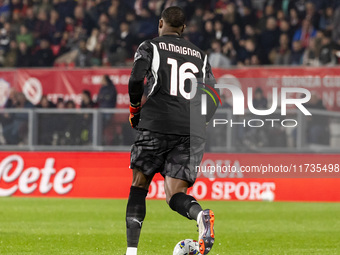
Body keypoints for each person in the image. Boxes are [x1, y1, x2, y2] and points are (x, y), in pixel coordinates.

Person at [126, 6, 218, 255]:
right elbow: (214, 96)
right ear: (184, 28)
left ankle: (131, 252)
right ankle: (200, 215)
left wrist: (135, 109)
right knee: (175, 194)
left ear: (160, 23)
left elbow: (136, 79)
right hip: (190, 131)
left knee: (139, 185)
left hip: (156, 123)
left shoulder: (150, 46)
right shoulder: (201, 56)